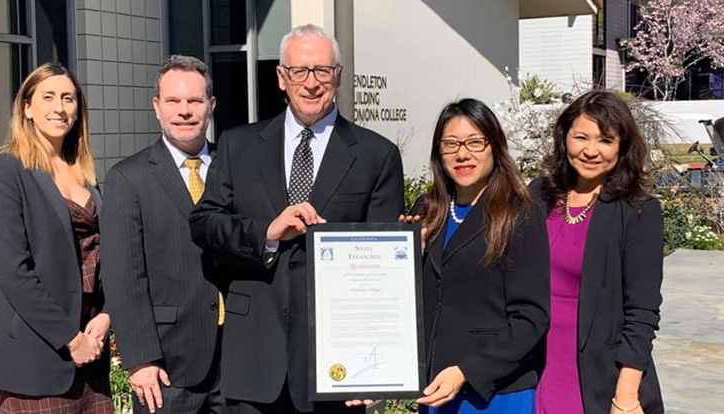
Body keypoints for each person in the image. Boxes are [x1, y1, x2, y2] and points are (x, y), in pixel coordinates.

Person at [189, 24, 404, 413]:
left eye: (322, 70)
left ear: (337, 76)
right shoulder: (238, 145)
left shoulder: (377, 155)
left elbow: (384, 274)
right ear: (281, 77)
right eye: (299, 71)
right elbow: (204, 223)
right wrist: (266, 234)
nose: (311, 83)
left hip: (336, 368)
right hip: (254, 360)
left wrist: (376, 365)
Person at [397, 99, 550, 414]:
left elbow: (531, 318)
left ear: (494, 146)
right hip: (436, 388)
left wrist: (467, 370)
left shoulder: (519, 213)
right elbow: (408, 302)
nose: (462, 154)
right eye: (450, 144)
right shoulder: (426, 211)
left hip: (493, 391)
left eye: (475, 142)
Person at [0, 62, 111, 413]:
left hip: (91, 354)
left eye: (68, 98)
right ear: (27, 107)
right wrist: (70, 338)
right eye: (48, 97)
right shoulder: (7, 171)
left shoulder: (85, 174)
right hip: (39, 354)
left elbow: (105, 253)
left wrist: (107, 314)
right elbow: (14, 273)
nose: (60, 107)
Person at [101, 55, 224, 414]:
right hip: (167, 366)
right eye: (173, 101)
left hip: (236, 361)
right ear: (157, 107)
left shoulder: (235, 167)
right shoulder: (128, 178)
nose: (184, 111)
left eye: (194, 101)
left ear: (211, 106)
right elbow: (124, 276)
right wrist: (140, 360)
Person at [531, 91, 664, 414]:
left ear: (622, 147)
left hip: (599, 375)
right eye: (581, 137)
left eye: (606, 140)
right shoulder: (539, 195)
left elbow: (642, 312)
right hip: (534, 365)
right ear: (564, 140)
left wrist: (627, 396)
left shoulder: (638, 211)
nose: (591, 151)